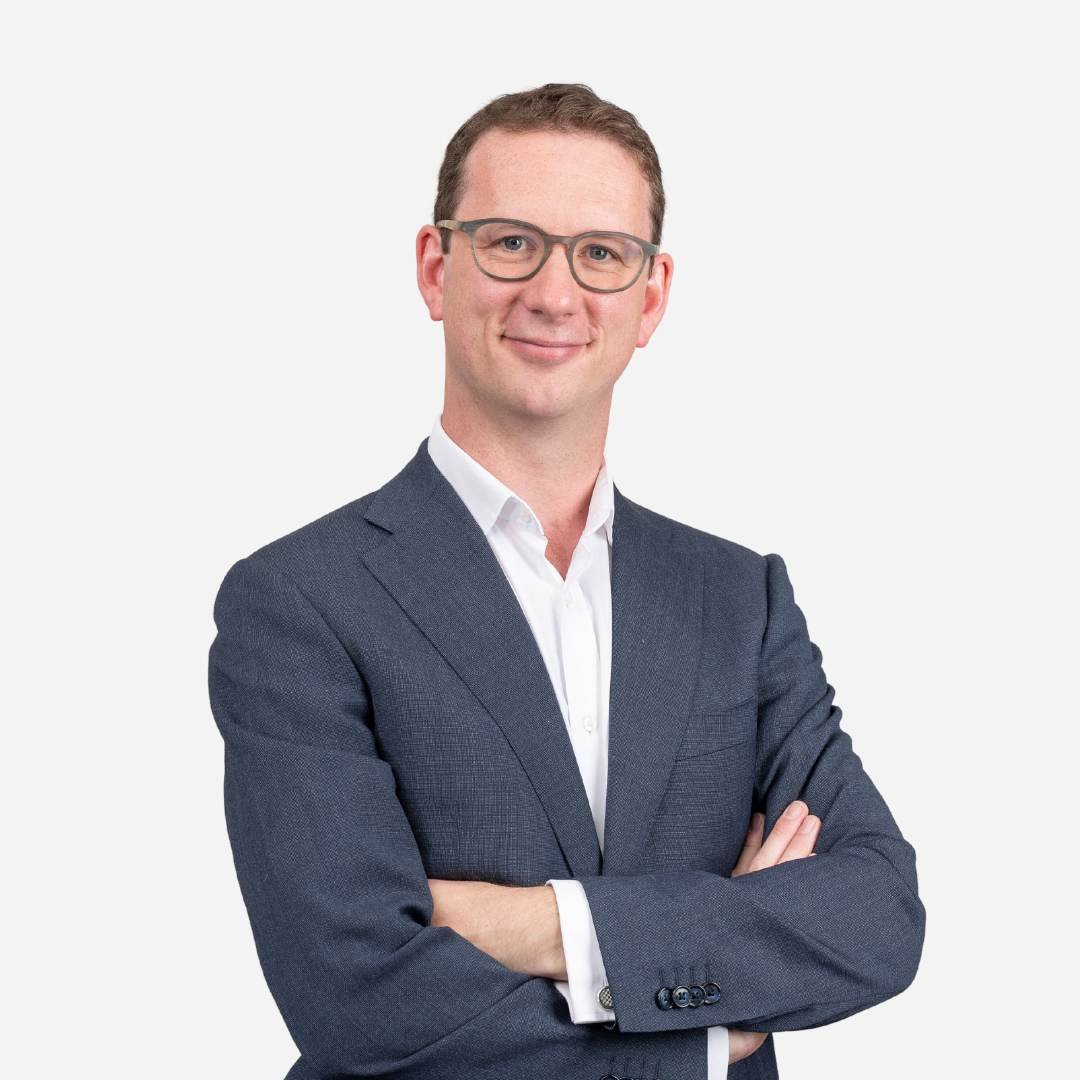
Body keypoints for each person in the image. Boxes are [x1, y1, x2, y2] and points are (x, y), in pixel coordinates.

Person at [208, 82, 926, 1080]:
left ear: (651, 296)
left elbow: (877, 916)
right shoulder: (300, 602)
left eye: (600, 253)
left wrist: (545, 926)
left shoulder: (739, 600)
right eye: (511, 243)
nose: (554, 294)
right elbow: (352, 992)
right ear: (435, 268)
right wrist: (705, 1033)